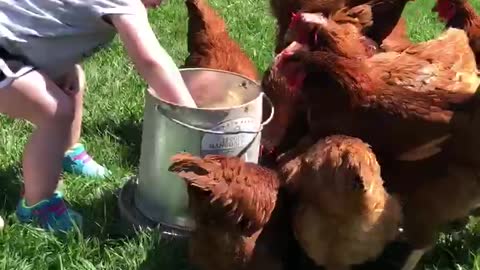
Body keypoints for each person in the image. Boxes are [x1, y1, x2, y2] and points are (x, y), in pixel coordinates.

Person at [0, 0, 197, 232]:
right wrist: (192, 116)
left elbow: (54, 20)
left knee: (73, 79)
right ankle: (37, 206)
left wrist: (63, 65)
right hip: (5, 50)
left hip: (15, 44)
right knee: (55, 111)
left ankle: (64, 150)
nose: (163, 2)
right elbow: (151, 61)